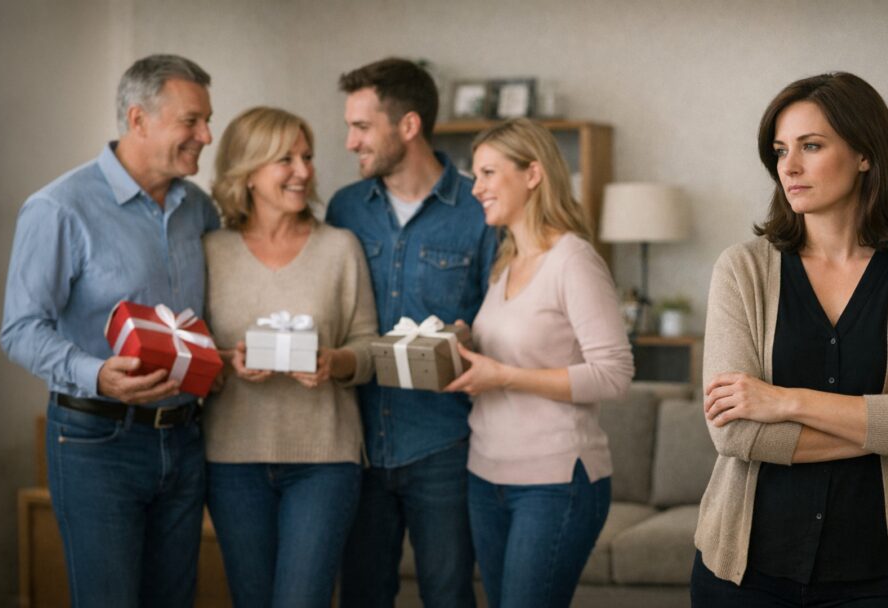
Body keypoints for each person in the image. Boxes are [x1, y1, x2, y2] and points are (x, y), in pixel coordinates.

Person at [691, 72, 888, 607]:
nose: (789, 167)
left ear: (865, 153)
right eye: (780, 151)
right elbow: (735, 434)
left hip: (878, 577)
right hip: (745, 574)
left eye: (811, 146)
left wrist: (785, 401)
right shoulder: (742, 271)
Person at [0, 54, 217, 606]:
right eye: (191, 121)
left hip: (185, 439)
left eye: (207, 120)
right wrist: (97, 375)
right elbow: (21, 329)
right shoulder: (58, 208)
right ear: (138, 119)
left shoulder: (200, 209)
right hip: (98, 443)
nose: (207, 135)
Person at [325, 57, 496, 608]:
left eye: (361, 126)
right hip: (357, 444)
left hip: (444, 444)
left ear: (408, 125)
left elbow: (503, 318)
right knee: (361, 596)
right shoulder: (345, 208)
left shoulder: (479, 209)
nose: (350, 142)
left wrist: (474, 332)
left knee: (448, 597)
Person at [445, 118, 634, 608]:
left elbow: (614, 374)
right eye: (476, 176)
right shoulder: (505, 262)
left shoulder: (573, 260)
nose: (477, 189)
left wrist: (504, 376)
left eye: (488, 174)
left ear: (532, 174)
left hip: (555, 482)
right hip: (485, 475)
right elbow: (517, 348)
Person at [203, 106, 378, 607]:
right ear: (248, 171)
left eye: (307, 156)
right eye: (285, 159)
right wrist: (225, 360)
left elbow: (368, 347)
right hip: (233, 461)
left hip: (324, 460)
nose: (303, 171)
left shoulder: (340, 248)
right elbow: (196, 351)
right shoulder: (211, 250)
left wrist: (333, 362)